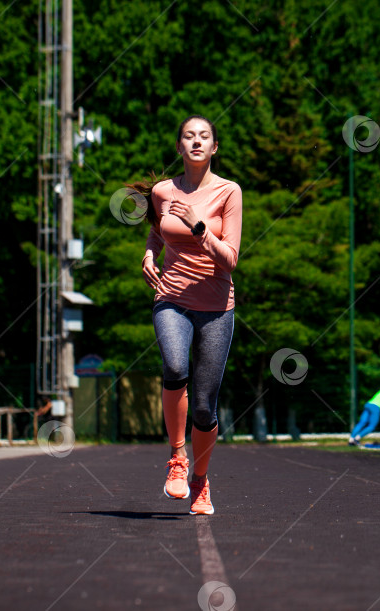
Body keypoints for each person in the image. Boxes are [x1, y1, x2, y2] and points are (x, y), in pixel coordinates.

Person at [139, 115, 243, 515]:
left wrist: (199, 227)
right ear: (179, 147)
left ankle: (201, 481)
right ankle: (177, 459)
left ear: (214, 147)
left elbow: (230, 259)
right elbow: (157, 228)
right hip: (171, 297)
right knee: (174, 365)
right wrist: (150, 252)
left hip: (217, 307)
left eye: (204, 137)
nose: (196, 141)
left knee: (204, 407)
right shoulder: (163, 191)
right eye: (189, 136)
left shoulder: (229, 192)